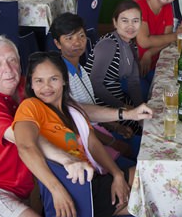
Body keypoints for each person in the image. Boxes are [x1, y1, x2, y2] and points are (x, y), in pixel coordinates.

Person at [0, 36, 94, 217]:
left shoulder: (25, 86)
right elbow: (25, 141)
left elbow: (69, 108)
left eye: (12, 60)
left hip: (21, 186)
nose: (8, 70)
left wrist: (123, 114)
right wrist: (67, 160)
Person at [12, 51, 145, 217]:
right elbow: (25, 146)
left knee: (150, 174)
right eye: (39, 81)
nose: (46, 87)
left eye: (53, 79)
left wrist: (117, 174)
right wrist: (56, 190)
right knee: (154, 198)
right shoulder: (31, 107)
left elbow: (93, 144)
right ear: (31, 85)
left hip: (95, 178)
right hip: (79, 193)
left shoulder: (71, 109)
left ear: (64, 80)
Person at [50, 11, 150, 164]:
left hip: (100, 131)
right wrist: (112, 142)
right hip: (85, 144)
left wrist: (116, 127)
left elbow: (91, 110)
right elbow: (75, 122)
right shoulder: (61, 77)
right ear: (57, 43)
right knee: (140, 157)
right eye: (69, 38)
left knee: (144, 146)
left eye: (81, 36)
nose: (77, 42)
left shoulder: (80, 69)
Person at [134, 0, 182, 98]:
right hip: (132, 67)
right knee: (148, 93)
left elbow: (166, 40)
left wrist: (149, 53)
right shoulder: (139, 6)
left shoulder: (168, 7)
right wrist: (176, 35)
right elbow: (144, 41)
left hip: (155, 63)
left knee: (174, 87)